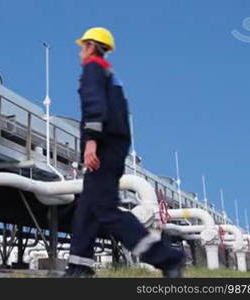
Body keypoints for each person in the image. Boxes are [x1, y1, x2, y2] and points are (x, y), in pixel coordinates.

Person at [64, 27, 185, 278]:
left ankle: (168, 259)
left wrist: (91, 142)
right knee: (87, 209)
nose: (79, 52)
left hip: (104, 149)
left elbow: (94, 106)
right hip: (113, 147)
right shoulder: (110, 75)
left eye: (82, 47)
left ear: (90, 46)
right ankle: (79, 268)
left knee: (106, 210)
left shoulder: (94, 68)